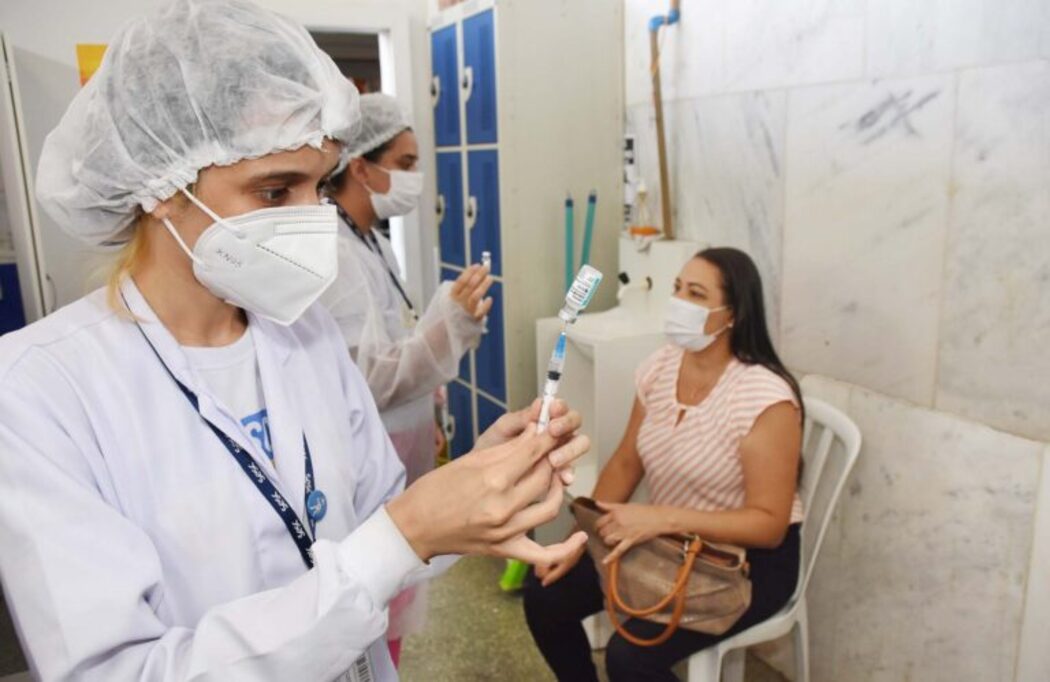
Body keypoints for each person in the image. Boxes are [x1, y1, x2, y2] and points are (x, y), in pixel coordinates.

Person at [0, 2, 588, 680]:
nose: (314, 220)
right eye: (276, 192)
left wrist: (467, 494)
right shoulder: (40, 392)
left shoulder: (300, 335)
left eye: (319, 185)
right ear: (162, 187)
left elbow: (379, 533)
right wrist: (406, 533)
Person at [523, 248, 804, 682]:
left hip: (746, 562)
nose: (678, 303)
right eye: (677, 288)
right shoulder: (661, 367)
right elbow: (625, 463)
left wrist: (657, 518)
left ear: (732, 314)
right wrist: (575, 541)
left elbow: (767, 525)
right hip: (667, 542)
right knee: (544, 592)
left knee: (631, 658)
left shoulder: (765, 398)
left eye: (695, 293)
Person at [320, 93, 491, 661]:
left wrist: (433, 411)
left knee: (394, 602)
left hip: (404, 437)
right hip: (373, 451)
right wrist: (451, 326)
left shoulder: (371, 242)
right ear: (362, 167)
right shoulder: (337, 254)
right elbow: (365, 379)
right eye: (407, 163)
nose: (416, 178)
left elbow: (395, 341)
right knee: (374, 604)